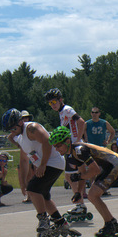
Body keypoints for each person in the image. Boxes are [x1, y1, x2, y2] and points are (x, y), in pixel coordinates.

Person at [2, 108, 78, 237]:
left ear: (20, 122)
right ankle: (60, 222)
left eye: (13, 128)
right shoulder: (19, 136)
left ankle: (44, 220)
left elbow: (47, 142)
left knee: (33, 189)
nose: (12, 132)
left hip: (52, 163)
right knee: (44, 196)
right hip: (47, 164)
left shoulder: (32, 128)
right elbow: (22, 150)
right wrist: (12, 136)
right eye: (10, 130)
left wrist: (42, 164)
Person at [49, 125, 118, 237]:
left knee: (93, 195)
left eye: (58, 145)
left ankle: (110, 224)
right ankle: (112, 222)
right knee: (92, 195)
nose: (56, 149)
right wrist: (78, 193)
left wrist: (80, 177)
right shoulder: (71, 154)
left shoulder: (79, 150)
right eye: (55, 146)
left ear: (68, 141)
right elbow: (83, 173)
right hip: (108, 166)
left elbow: (94, 171)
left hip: (115, 164)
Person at [45, 88, 89, 219]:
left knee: (71, 177)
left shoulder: (67, 110)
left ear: (60, 100)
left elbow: (81, 122)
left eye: (54, 101)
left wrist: (77, 141)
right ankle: (80, 203)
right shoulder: (61, 113)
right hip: (70, 148)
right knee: (71, 177)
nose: (53, 105)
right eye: (50, 103)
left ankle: (80, 204)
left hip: (74, 147)